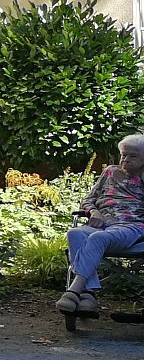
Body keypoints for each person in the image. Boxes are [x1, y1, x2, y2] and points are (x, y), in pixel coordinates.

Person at [57, 133, 144, 316]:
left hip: (132, 228)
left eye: (133, 156)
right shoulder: (110, 172)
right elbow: (88, 199)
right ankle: (88, 295)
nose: (126, 160)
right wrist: (94, 212)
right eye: (124, 155)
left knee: (98, 238)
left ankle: (74, 291)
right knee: (75, 233)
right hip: (102, 223)